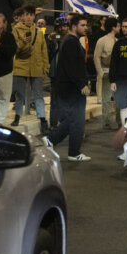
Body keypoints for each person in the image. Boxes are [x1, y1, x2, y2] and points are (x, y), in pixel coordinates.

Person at [45, 14, 92, 162]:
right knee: (77, 120)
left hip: (70, 87)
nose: (86, 28)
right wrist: (82, 84)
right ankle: (73, 152)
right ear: (74, 26)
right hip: (72, 89)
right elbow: (72, 67)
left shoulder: (71, 41)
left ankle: (51, 141)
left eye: (86, 25)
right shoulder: (71, 42)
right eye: (83, 25)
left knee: (73, 119)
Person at [10, 5, 49, 128]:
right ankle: (17, 117)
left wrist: (45, 67)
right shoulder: (16, 30)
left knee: (38, 94)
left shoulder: (38, 31)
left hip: (36, 67)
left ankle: (42, 119)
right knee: (20, 95)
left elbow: (44, 50)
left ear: (34, 16)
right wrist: (24, 42)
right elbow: (14, 49)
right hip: (20, 66)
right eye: (26, 15)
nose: (28, 17)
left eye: (31, 15)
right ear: (22, 16)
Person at [93, 17, 120, 129]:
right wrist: (100, 72)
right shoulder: (102, 40)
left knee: (117, 98)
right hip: (106, 71)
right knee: (106, 98)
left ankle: (118, 121)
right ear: (113, 27)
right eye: (118, 26)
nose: (120, 28)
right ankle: (106, 121)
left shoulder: (118, 41)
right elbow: (96, 57)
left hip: (116, 73)